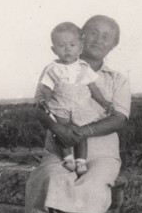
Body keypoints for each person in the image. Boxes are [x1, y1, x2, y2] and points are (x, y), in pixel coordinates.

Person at [24, 15, 131, 213]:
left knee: (93, 183)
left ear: (114, 45)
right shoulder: (54, 69)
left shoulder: (116, 78)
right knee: (53, 180)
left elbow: (118, 117)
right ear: (81, 38)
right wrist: (59, 129)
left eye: (107, 36)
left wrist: (82, 131)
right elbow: (39, 107)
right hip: (60, 148)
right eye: (93, 33)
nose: (99, 40)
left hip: (102, 151)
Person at [35, 21, 112, 176]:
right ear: (54, 49)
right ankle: (67, 157)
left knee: (80, 133)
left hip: (81, 107)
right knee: (62, 131)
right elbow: (46, 88)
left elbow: (93, 88)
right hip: (61, 106)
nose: (67, 49)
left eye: (72, 45)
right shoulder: (52, 69)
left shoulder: (83, 67)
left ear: (80, 47)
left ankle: (81, 161)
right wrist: (45, 100)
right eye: (61, 46)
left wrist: (103, 102)